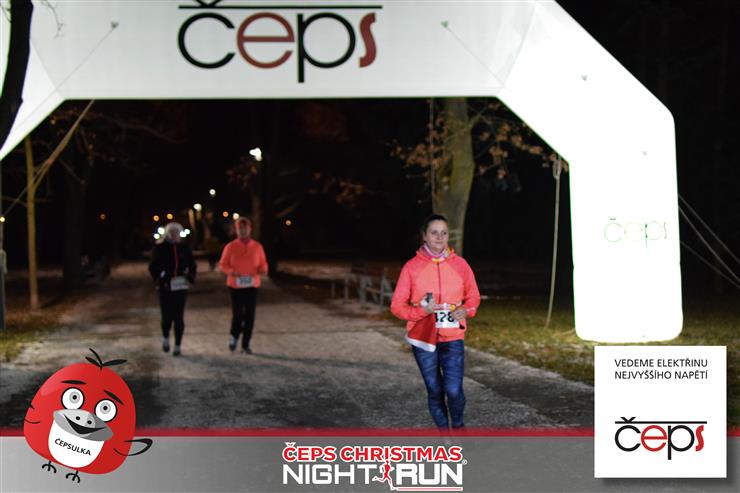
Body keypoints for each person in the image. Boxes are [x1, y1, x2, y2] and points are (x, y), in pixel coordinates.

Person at [391, 214, 480, 431]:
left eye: (444, 233)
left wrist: (466, 310)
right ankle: (445, 434)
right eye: (434, 232)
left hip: (453, 337)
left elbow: (473, 297)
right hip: (423, 339)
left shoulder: (460, 265)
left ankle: (458, 427)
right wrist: (421, 311)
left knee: (454, 390)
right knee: (435, 390)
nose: (440, 237)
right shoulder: (411, 267)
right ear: (424, 236)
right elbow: (397, 306)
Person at [219, 217, 268, 354]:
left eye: (245, 228)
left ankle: (246, 344)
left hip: (252, 285)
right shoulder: (230, 246)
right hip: (235, 285)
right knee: (238, 315)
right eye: (240, 228)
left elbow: (263, 263)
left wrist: (263, 269)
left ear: (250, 229)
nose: (243, 231)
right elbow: (223, 264)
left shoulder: (257, 246)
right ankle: (234, 337)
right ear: (236, 230)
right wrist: (231, 272)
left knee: (250, 316)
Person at [148, 222, 197, 357]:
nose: (175, 235)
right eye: (172, 233)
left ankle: (177, 346)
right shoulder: (160, 248)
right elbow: (153, 267)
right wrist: (160, 278)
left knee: (178, 317)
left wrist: (190, 277)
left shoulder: (184, 248)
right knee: (167, 316)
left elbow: (192, 265)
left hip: (181, 287)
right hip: (165, 288)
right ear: (168, 234)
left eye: (177, 233)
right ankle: (165, 338)